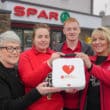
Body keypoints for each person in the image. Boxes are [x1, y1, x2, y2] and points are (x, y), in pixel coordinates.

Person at [0, 30, 63, 110]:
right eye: (9, 48)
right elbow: (7, 106)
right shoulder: (3, 73)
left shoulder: (14, 70)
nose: (14, 52)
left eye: (17, 48)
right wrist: (37, 92)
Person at [18, 23, 64, 110]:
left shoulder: (55, 55)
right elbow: (28, 80)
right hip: (36, 106)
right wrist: (48, 64)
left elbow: (62, 79)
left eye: (46, 37)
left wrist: (69, 87)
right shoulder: (25, 56)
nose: (43, 39)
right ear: (33, 39)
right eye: (40, 37)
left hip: (57, 105)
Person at [53, 17, 94, 110]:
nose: (72, 32)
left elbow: (92, 72)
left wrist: (79, 86)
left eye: (75, 29)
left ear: (79, 30)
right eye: (69, 29)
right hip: (61, 102)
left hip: (83, 101)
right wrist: (63, 87)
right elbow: (54, 74)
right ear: (64, 31)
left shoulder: (88, 49)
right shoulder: (56, 49)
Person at [74, 27, 110, 110]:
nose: (97, 42)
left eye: (101, 39)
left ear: (108, 42)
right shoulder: (88, 60)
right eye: (94, 40)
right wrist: (73, 87)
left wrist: (91, 67)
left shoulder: (89, 63)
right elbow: (81, 84)